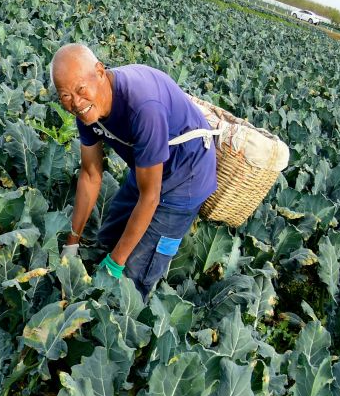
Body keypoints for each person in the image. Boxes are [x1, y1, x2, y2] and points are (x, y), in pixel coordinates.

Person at [52, 43, 219, 293]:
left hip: (187, 176)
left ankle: (126, 315)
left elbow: (150, 197)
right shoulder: (86, 107)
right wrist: (72, 241)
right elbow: (90, 174)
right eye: (65, 96)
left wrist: (116, 263)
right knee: (107, 238)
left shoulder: (142, 106)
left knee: (133, 274)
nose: (75, 102)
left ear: (99, 72)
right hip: (148, 167)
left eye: (79, 90)